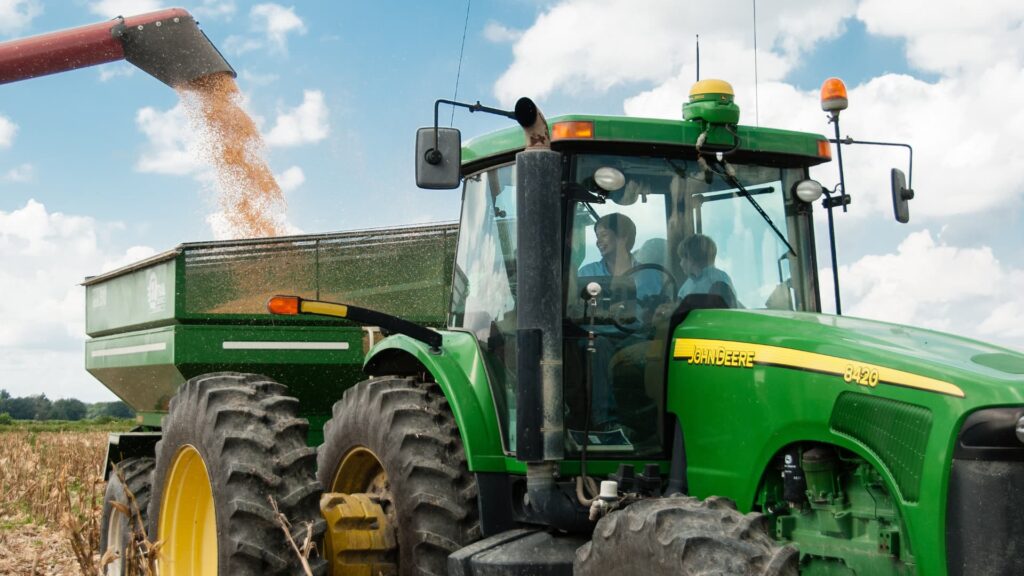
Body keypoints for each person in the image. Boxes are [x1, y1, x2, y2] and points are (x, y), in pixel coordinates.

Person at [676, 233, 737, 307]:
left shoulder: (718, 282)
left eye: (682, 258)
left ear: (691, 259)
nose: (680, 263)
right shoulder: (685, 288)